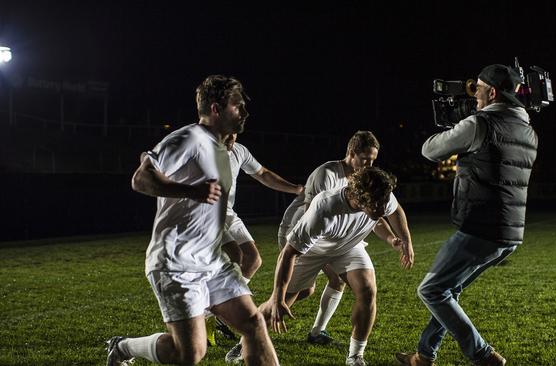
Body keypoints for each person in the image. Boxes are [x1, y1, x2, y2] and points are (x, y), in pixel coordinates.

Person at [105, 75, 279, 366]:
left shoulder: (224, 149)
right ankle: (123, 347)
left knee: (253, 323)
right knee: (188, 353)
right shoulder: (189, 137)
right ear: (215, 109)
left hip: (212, 261)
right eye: (238, 106)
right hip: (176, 263)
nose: (245, 113)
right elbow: (141, 178)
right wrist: (190, 191)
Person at [395, 64, 538, 366]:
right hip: (510, 231)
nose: (474, 96)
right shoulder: (527, 129)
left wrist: (459, 125)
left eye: (479, 90)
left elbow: (429, 150)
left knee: (431, 290)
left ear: (493, 92)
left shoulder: (479, 123)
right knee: (450, 289)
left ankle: (483, 355)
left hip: (480, 225)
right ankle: (424, 355)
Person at [267, 167, 414, 366]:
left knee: (368, 289)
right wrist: (277, 296)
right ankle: (246, 341)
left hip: (347, 246)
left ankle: (355, 356)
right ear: (359, 198)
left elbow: (395, 211)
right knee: (282, 301)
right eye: (376, 205)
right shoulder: (325, 208)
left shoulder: (380, 196)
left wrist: (405, 241)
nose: (382, 209)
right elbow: (288, 253)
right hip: (313, 251)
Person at [278, 131, 407, 345]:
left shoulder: (366, 180)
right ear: (351, 152)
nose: (369, 164)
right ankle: (252, 332)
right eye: (366, 159)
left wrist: (395, 239)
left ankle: (318, 333)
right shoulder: (327, 174)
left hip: (339, 238)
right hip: (304, 234)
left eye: (373, 160)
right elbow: (313, 215)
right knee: (298, 292)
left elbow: (375, 213)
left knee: (348, 283)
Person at [208, 133, 303, 345]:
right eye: (229, 130)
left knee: (253, 260)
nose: (233, 136)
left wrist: (296, 189)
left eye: (236, 132)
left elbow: (263, 173)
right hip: (206, 213)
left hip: (228, 212)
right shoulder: (202, 147)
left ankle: (210, 311)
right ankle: (219, 310)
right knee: (236, 254)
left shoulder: (240, 150)